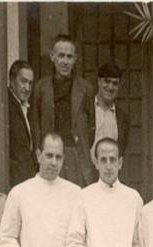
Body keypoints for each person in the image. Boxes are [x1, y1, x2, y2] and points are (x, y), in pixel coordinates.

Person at [32, 34, 94, 187]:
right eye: (61, 56)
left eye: (69, 56)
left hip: (75, 153)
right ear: (52, 57)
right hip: (51, 152)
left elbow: (91, 127)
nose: (65, 61)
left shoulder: (86, 88)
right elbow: (35, 124)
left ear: (75, 59)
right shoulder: (41, 88)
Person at [88, 62, 130, 178]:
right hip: (86, 175)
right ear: (98, 81)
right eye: (107, 81)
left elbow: (121, 149)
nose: (110, 87)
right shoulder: (85, 110)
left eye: (115, 83)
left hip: (110, 175)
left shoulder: (123, 117)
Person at [8, 59, 37, 189]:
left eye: (30, 83)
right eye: (23, 81)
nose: (27, 88)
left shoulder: (23, 106)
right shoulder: (7, 106)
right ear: (12, 80)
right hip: (15, 181)